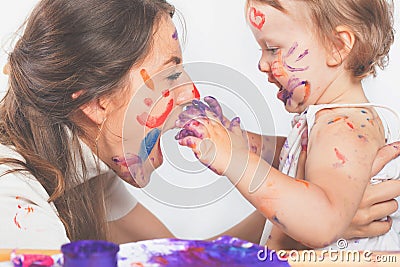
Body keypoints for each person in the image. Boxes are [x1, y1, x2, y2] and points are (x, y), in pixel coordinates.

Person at [0, 0, 399, 251]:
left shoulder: (86, 174)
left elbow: (184, 257)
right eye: (171, 70)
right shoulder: (12, 201)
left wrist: (312, 203)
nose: (190, 92)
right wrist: (306, 225)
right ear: (97, 102)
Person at [176, 0, 400, 250]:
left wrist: (234, 158)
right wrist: (246, 142)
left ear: (337, 47)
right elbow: (298, 156)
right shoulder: (328, 122)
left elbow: (322, 223)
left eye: (272, 48)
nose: (262, 64)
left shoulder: (344, 128)